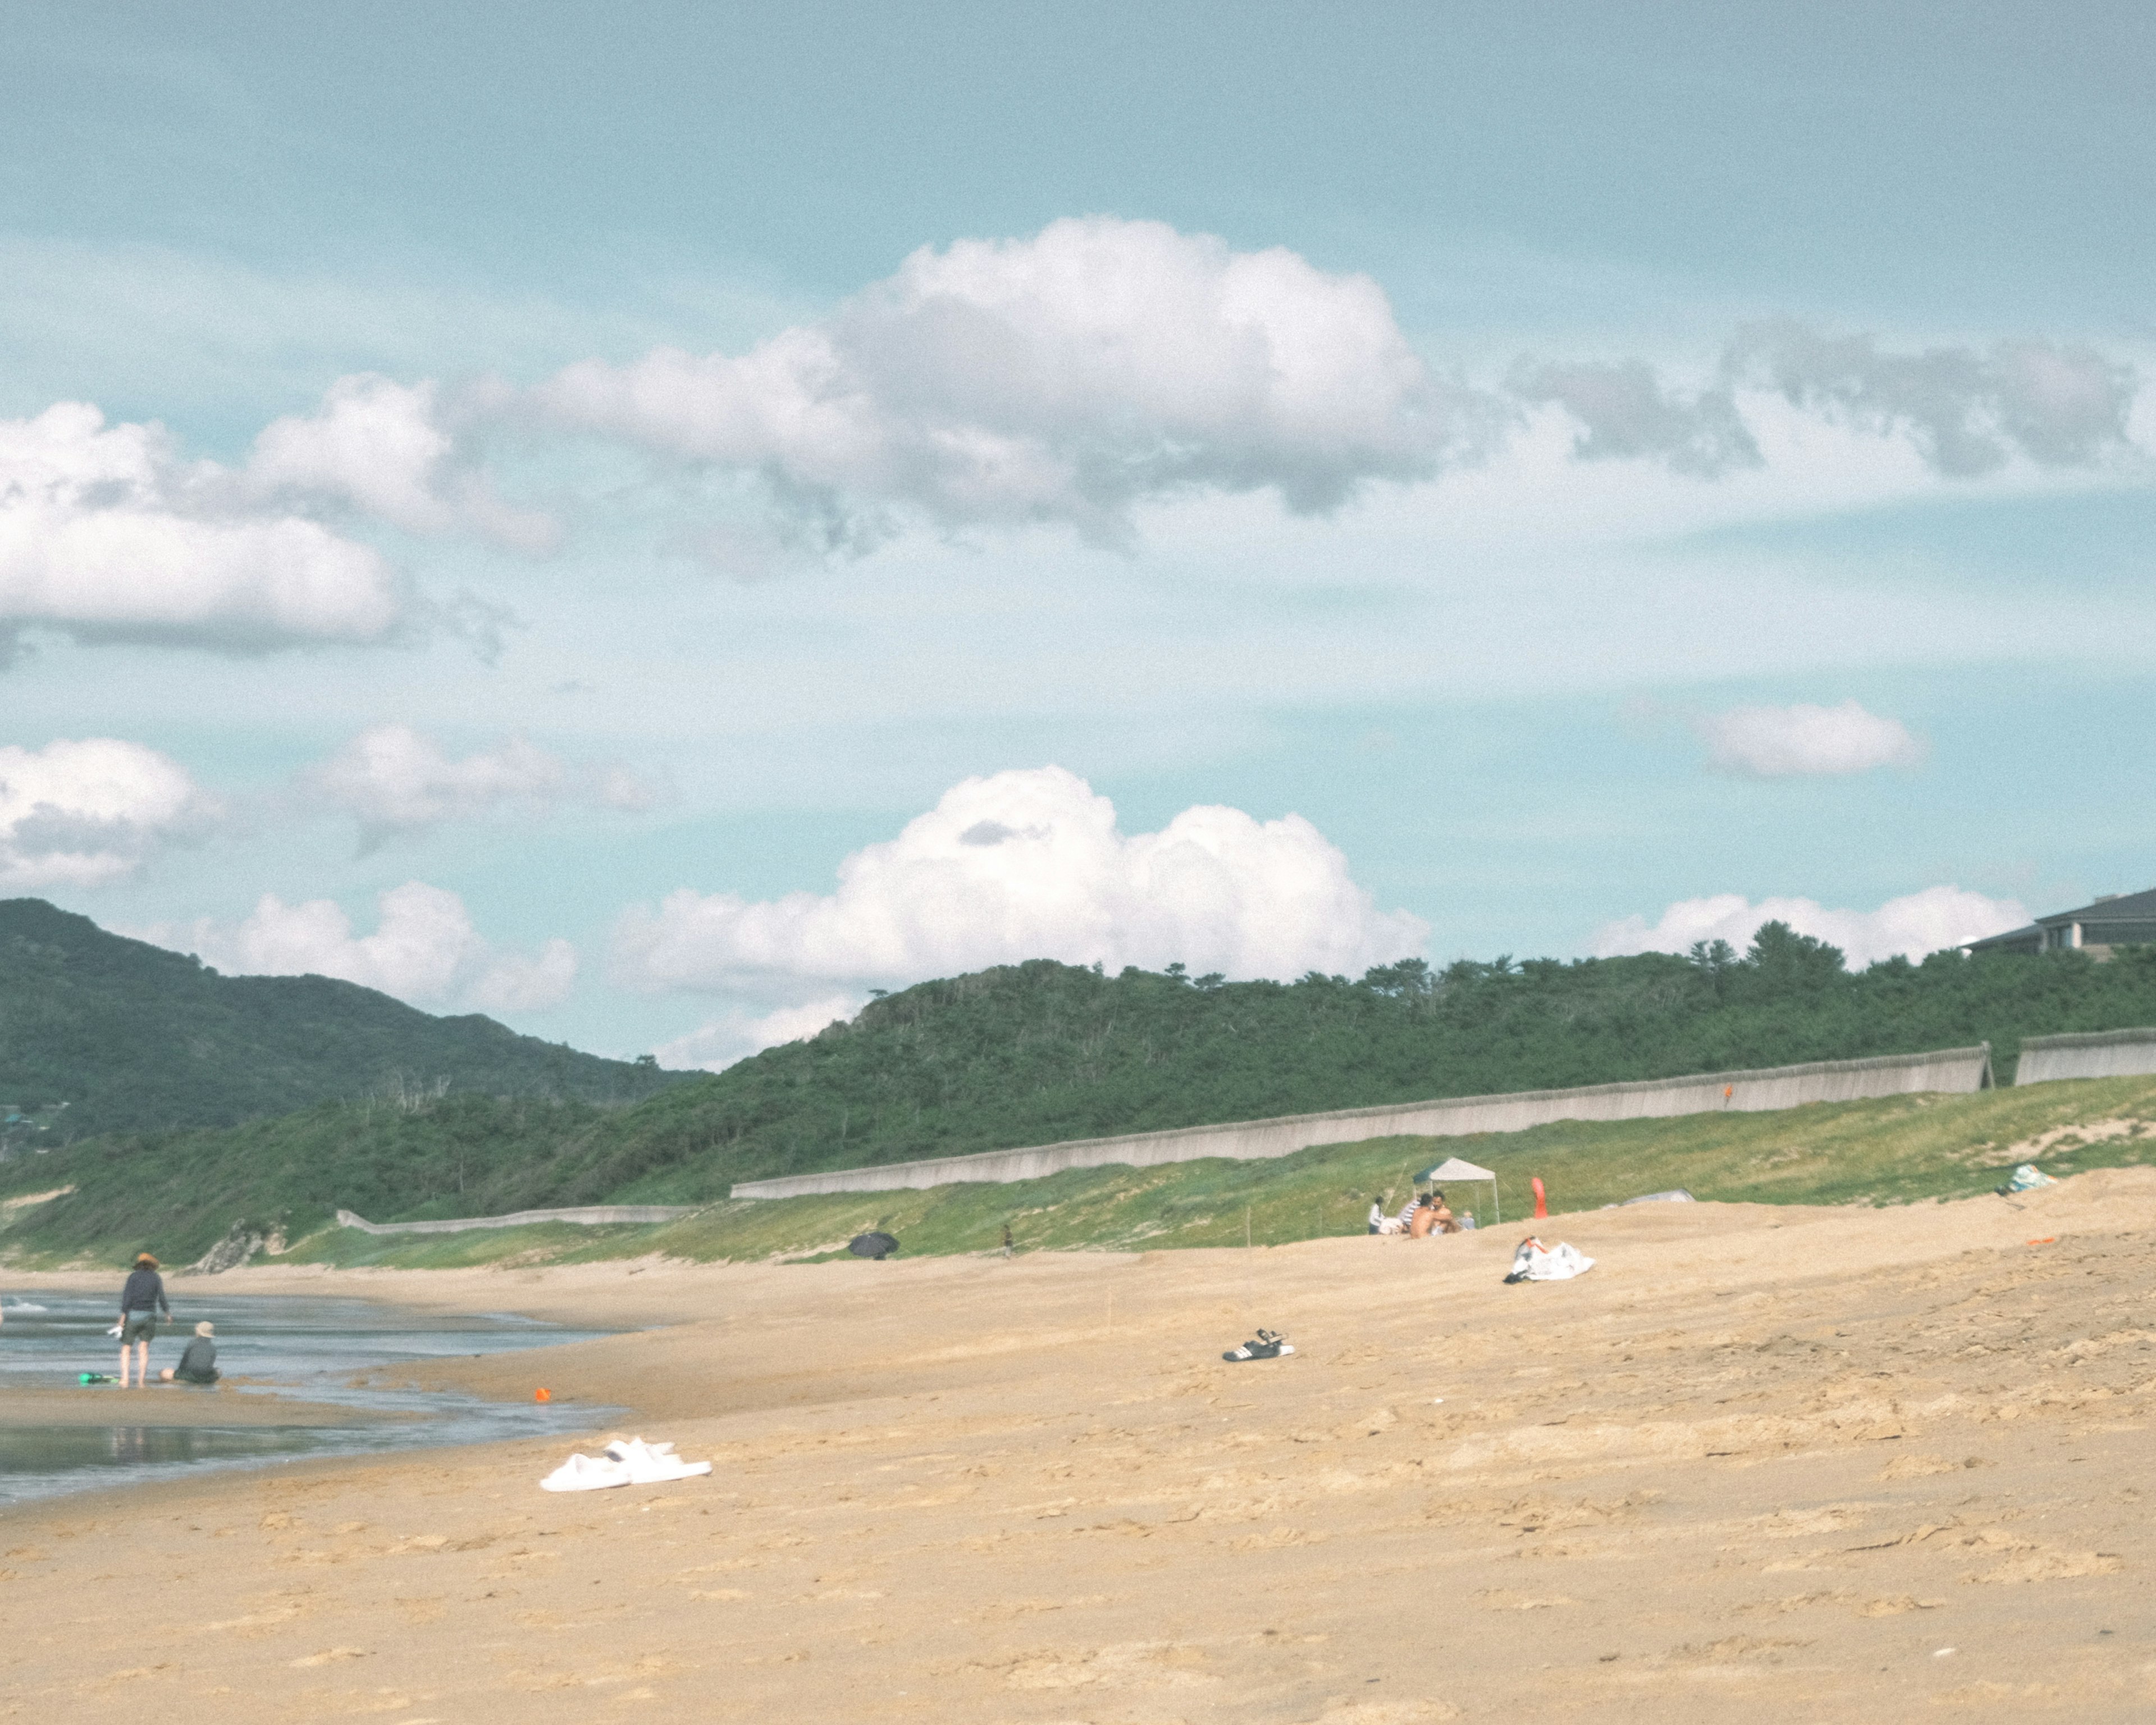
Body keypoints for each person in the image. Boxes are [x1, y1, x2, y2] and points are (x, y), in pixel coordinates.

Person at [117, 1252, 170, 1388]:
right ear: (152, 1265)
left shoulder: (133, 1277)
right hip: (149, 1316)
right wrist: (167, 1313)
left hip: (133, 1315)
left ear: (139, 1264)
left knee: (126, 1348)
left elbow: (127, 1298)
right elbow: (161, 1297)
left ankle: (125, 1380)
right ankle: (141, 1382)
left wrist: (123, 1317)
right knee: (144, 1348)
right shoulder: (156, 1278)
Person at [161, 1321, 219, 1385]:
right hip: (207, 1378)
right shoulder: (213, 1347)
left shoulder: (192, 1343)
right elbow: (210, 1364)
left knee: (165, 1373)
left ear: (199, 1332)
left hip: (190, 1376)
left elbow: (184, 1361)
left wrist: (180, 1373)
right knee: (219, 1371)